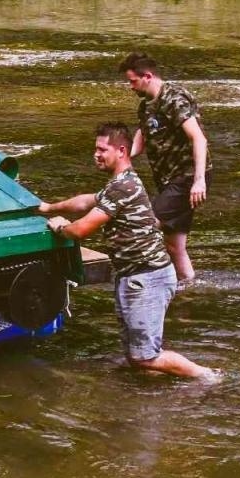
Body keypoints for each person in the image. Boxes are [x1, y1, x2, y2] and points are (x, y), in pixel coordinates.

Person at [37, 124, 217, 380]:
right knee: (137, 355)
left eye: (102, 149)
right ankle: (157, 390)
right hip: (135, 276)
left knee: (147, 356)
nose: (96, 154)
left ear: (121, 150)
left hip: (147, 278)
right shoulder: (120, 184)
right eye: (95, 149)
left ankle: (207, 376)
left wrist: (61, 226)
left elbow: (81, 230)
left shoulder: (122, 187)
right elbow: (86, 200)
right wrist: (48, 207)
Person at [118, 53, 208, 288]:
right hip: (169, 179)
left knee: (144, 223)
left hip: (187, 177)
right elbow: (143, 131)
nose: (130, 87)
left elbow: (198, 138)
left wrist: (199, 181)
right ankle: (188, 289)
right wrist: (126, 156)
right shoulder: (146, 104)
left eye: (132, 81)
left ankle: (142, 282)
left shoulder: (174, 99)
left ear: (147, 76)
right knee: (174, 246)